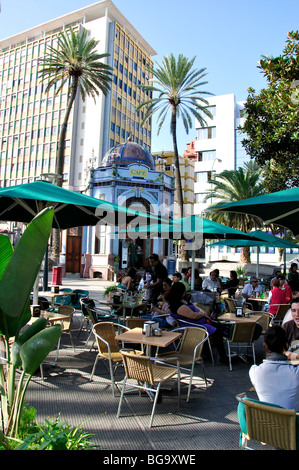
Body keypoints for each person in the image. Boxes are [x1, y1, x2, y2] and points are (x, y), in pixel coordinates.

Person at [164, 282, 227, 362]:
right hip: (191, 327)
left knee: (218, 327)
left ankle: (211, 353)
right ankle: (222, 356)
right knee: (217, 332)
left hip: (197, 323)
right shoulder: (177, 305)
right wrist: (202, 314)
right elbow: (193, 316)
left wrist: (201, 312)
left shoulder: (181, 301)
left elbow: (194, 306)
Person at [249, 326, 299, 411]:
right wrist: (294, 355)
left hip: (267, 422)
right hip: (293, 422)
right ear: (286, 345)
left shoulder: (254, 371)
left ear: (265, 345)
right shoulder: (296, 373)